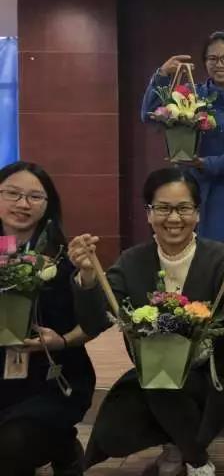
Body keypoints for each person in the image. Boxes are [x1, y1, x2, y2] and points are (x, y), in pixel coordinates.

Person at [68, 167, 224, 476]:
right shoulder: (131, 262)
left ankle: (192, 457)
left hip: (213, 374)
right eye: (163, 208)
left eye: (183, 208)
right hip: (151, 374)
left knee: (162, 386)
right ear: (148, 213)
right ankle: (187, 450)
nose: (173, 218)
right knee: (114, 431)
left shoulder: (222, 258)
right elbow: (95, 322)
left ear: (198, 213)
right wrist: (88, 277)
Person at [0, 161, 95, 476]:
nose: (22, 204)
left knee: (12, 445)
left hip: (52, 378)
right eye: (12, 193)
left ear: (47, 205)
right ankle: (58, 445)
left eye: (34, 197)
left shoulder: (65, 258)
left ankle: (61, 445)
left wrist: (62, 340)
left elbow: (96, 320)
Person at [142, 31, 224, 244]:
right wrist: (162, 74)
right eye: (213, 59)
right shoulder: (192, 94)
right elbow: (149, 115)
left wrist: (205, 163)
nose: (219, 64)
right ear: (205, 62)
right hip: (188, 189)